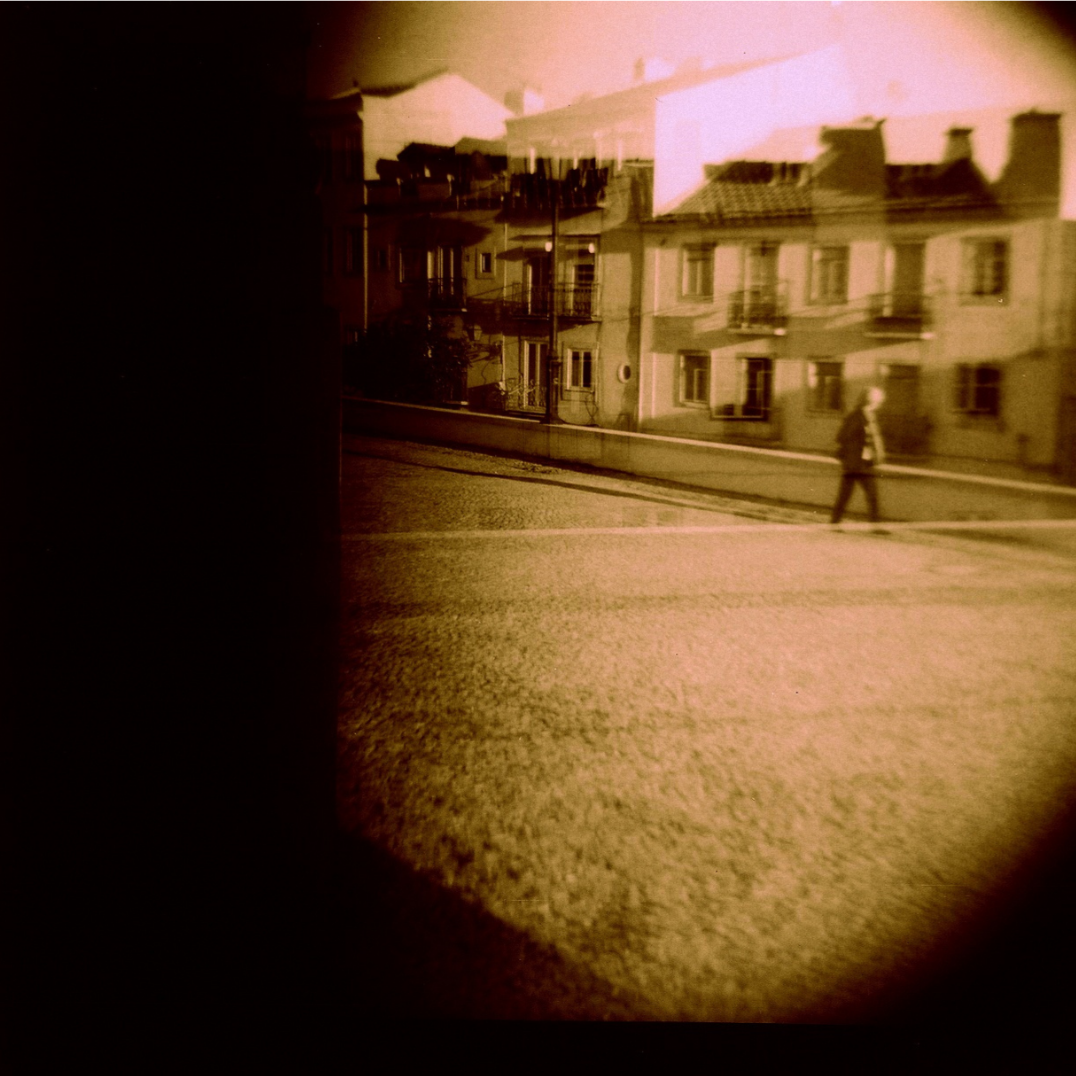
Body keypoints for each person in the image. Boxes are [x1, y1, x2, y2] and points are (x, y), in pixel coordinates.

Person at [831, 386, 887, 528]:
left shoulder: (870, 415)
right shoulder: (856, 416)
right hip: (855, 464)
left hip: (864, 463)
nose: (879, 405)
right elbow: (842, 436)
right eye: (878, 401)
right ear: (870, 401)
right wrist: (856, 450)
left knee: (868, 495)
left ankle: (835, 522)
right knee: (847, 496)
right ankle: (835, 523)